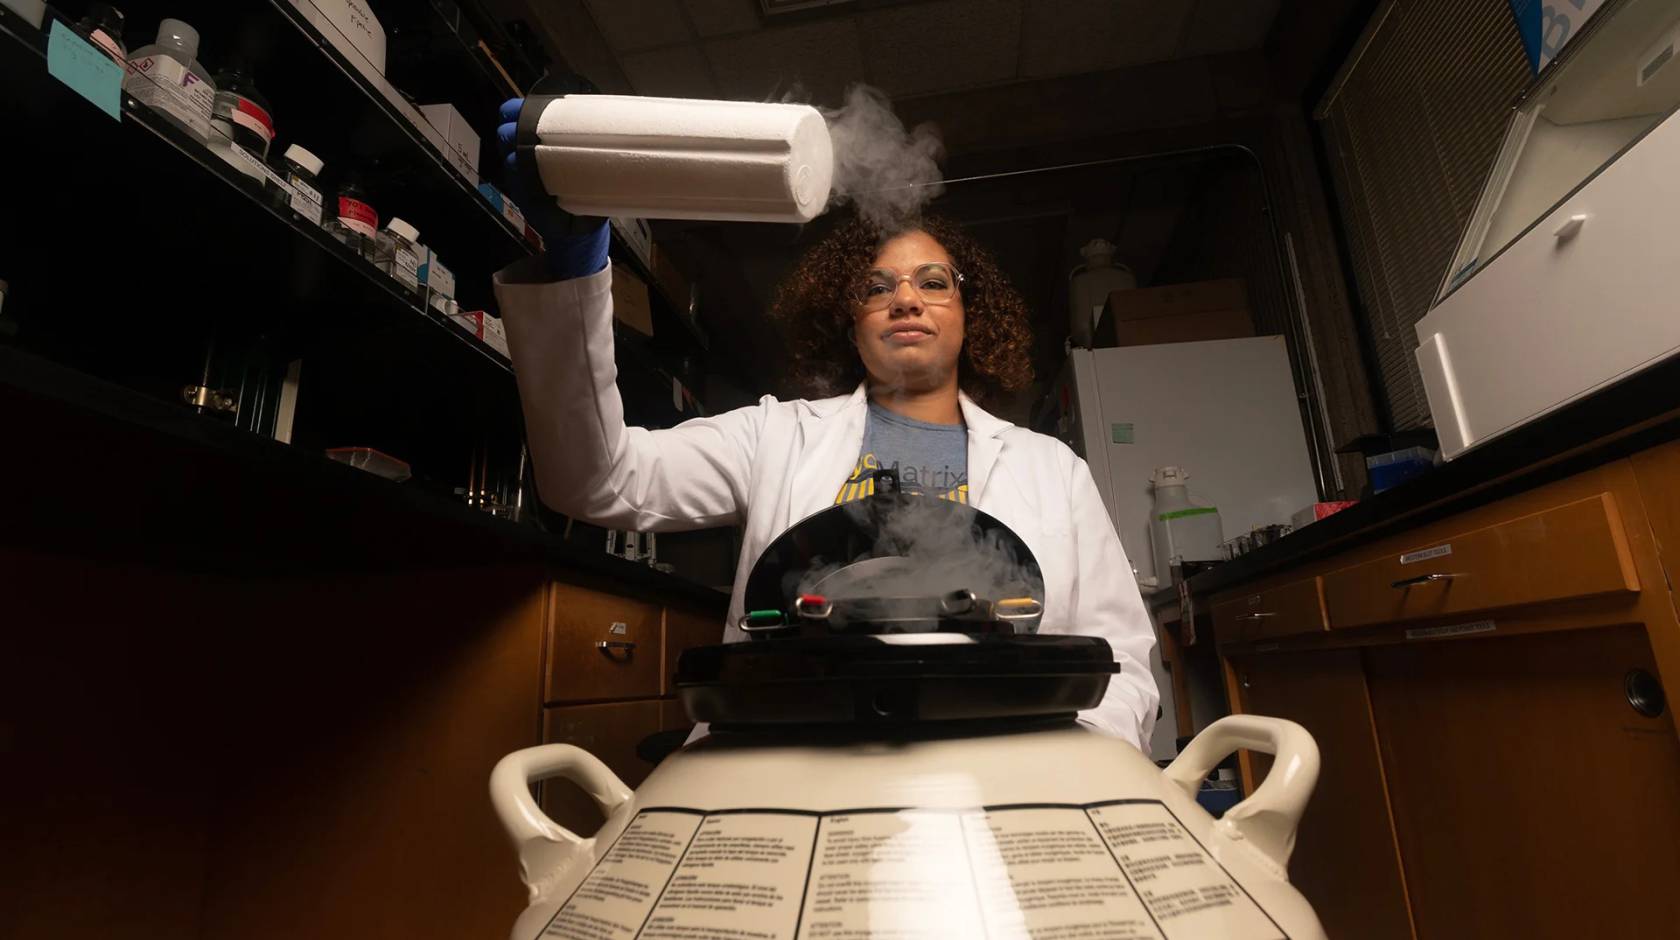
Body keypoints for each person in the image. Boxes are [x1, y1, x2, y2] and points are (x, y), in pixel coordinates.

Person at [494, 101, 1159, 749]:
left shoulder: (1052, 470)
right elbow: (595, 480)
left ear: (969, 315)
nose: (905, 298)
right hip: (793, 755)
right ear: (849, 323)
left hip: (1011, 766)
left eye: (933, 282)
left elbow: (1122, 656)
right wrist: (572, 270)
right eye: (877, 286)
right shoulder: (775, 438)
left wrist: (1076, 769)